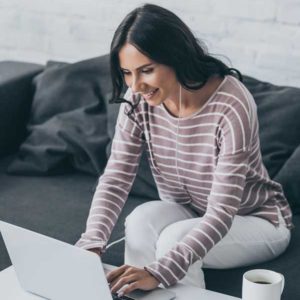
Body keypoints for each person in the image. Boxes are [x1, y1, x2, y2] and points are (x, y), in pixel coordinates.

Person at [76, 3, 293, 296]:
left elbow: (220, 213)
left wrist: (159, 271)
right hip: (190, 212)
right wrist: (91, 243)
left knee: (176, 239)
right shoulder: (139, 100)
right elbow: (115, 178)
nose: (136, 85)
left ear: (175, 57)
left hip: (258, 220)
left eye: (147, 70)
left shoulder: (232, 104)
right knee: (140, 219)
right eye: (127, 73)